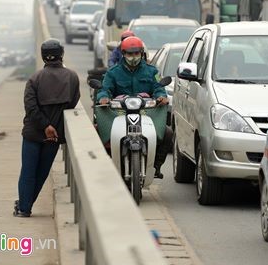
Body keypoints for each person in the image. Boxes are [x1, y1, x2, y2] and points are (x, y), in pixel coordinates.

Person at [14, 39, 80, 217]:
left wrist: (44, 125)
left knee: (28, 171)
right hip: (54, 135)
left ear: (43, 56)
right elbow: (73, 103)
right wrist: (52, 126)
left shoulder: (34, 79)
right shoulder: (72, 77)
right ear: (61, 54)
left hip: (33, 133)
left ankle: (24, 208)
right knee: (42, 173)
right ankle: (24, 204)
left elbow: (30, 106)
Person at [97, 36, 170, 178]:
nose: (133, 57)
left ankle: (155, 167)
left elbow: (158, 88)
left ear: (141, 53)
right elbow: (105, 89)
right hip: (119, 113)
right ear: (123, 54)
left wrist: (161, 97)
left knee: (167, 133)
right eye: (130, 54)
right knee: (99, 132)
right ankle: (107, 166)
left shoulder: (152, 71)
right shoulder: (113, 73)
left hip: (146, 112)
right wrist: (104, 98)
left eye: (136, 53)